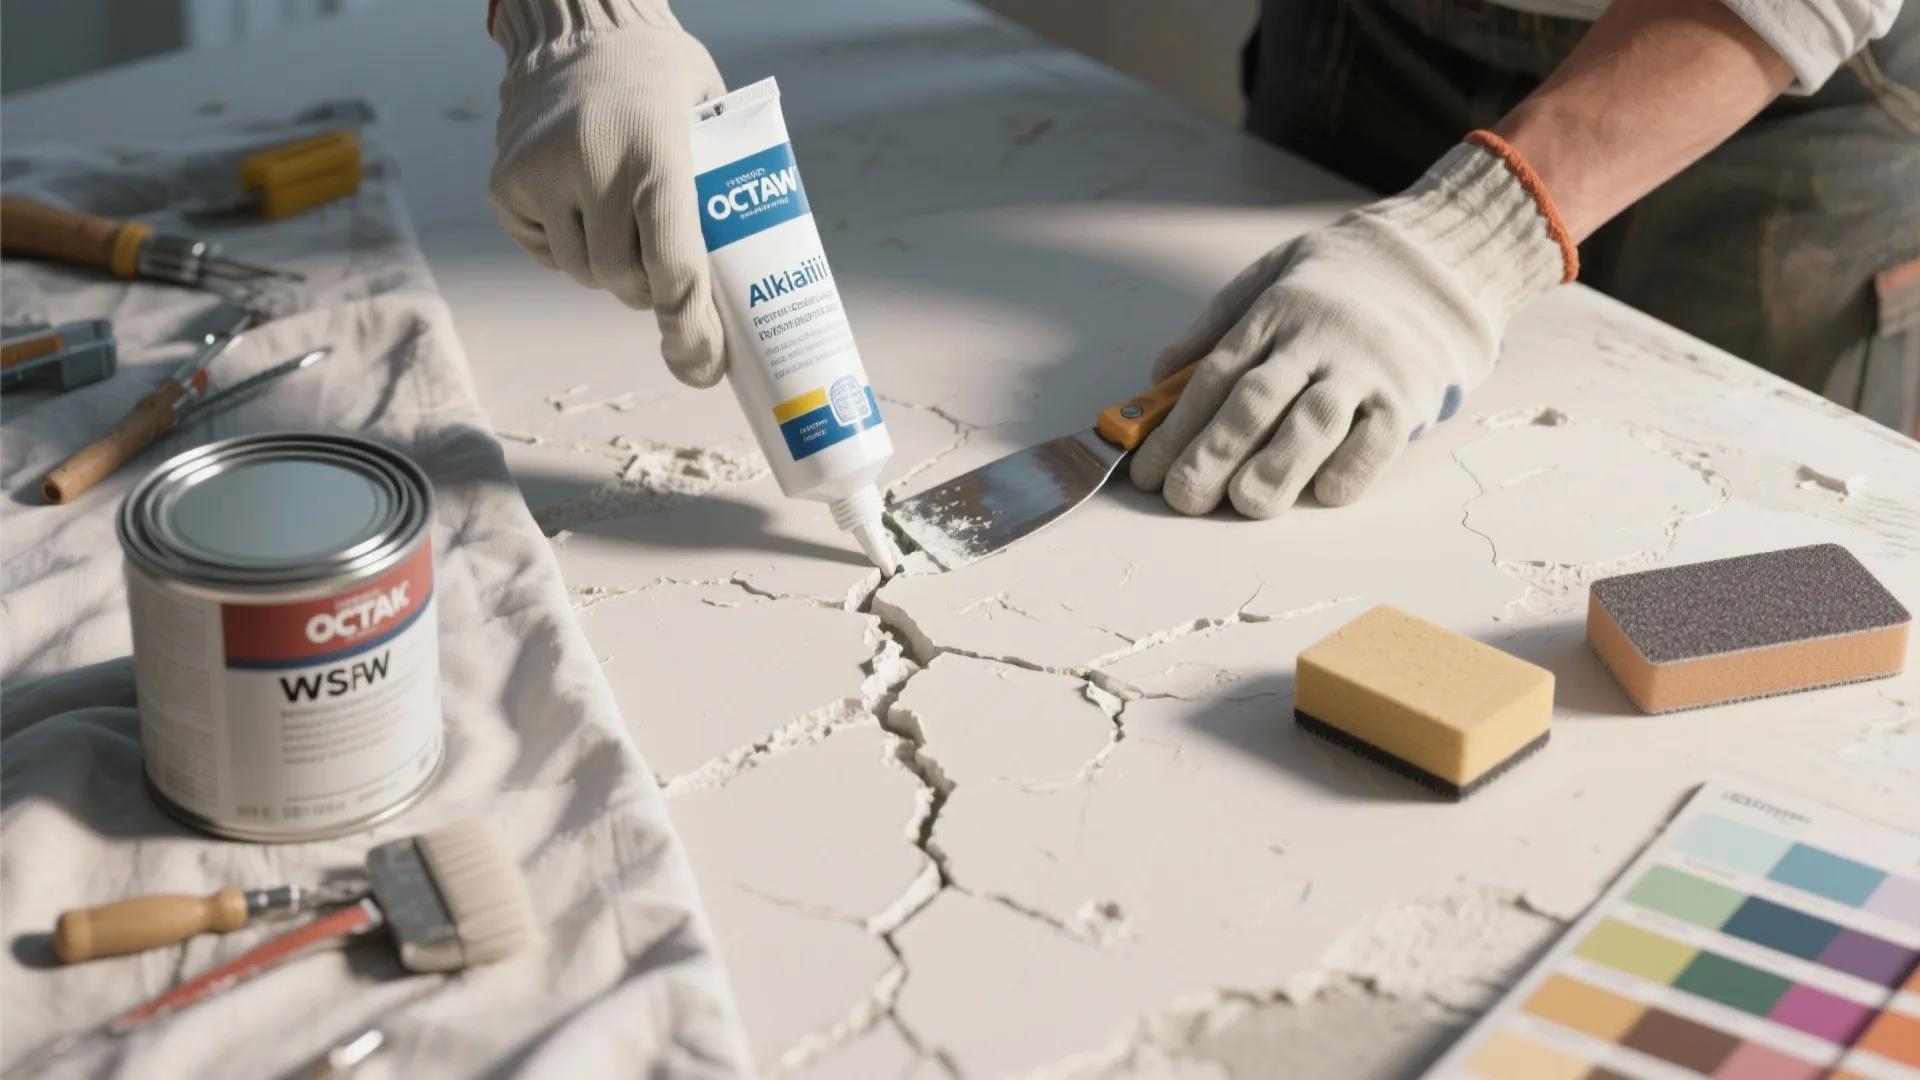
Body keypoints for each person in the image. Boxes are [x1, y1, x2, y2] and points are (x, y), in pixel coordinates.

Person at [484, 0, 1918, 524]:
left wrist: (1470, 245)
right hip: (1372, 29)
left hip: (1773, 86)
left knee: (1732, 537)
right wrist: (579, 18)